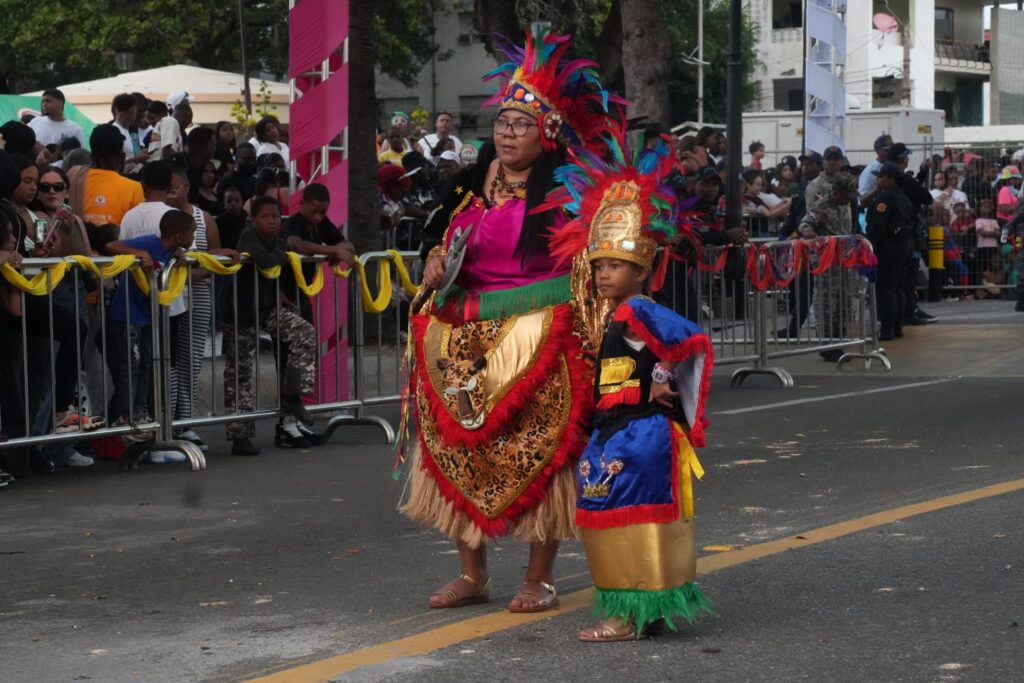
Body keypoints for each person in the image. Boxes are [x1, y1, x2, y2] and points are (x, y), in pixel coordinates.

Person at [400, 25, 621, 613]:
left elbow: (596, 259)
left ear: (546, 132)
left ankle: (538, 577)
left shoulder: (567, 192)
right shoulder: (471, 185)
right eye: (500, 123)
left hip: (539, 334)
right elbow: (440, 242)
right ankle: (472, 573)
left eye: (520, 124)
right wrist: (436, 260)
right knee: (458, 449)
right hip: (460, 336)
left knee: (540, 452)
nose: (506, 132)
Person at [538, 126, 713, 641]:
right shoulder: (617, 314)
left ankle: (626, 616)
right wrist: (658, 376)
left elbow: (691, 343)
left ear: (642, 271)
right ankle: (643, 612)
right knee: (622, 519)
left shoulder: (638, 309)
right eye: (600, 266)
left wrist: (665, 386)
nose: (605, 274)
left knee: (623, 521)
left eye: (617, 265)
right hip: (617, 432)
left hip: (639, 436)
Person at [221, 196, 316, 456]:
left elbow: (274, 264)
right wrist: (281, 254)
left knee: (305, 333)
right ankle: (239, 435)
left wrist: (280, 293)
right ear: (254, 219)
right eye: (265, 217)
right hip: (241, 313)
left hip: (266, 307)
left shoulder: (279, 239)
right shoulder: (248, 238)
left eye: (275, 216)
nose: (271, 221)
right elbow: (265, 261)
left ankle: (293, 396)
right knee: (240, 373)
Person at [104, 210, 197, 442]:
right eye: (191, 233)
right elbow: (112, 245)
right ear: (178, 235)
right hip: (128, 316)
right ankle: (127, 414)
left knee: (146, 364)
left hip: (147, 318)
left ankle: (141, 410)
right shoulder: (149, 243)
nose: (193, 239)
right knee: (131, 366)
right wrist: (138, 254)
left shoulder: (173, 252)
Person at [865, 162, 914, 341]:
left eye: (881, 177)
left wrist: (869, 247)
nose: (878, 179)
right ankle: (896, 327)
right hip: (904, 245)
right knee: (898, 287)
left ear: (890, 179)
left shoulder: (886, 199)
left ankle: (887, 330)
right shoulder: (903, 197)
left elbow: (877, 226)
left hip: (889, 247)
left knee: (886, 288)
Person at [70, 125, 144, 228]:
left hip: (78, 243)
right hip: (116, 243)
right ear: (122, 157)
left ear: (91, 156)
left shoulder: (73, 176)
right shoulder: (135, 189)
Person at [110, 93, 147, 171]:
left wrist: (143, 153)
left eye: (132, 113)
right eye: (126, 113)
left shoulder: (133, 131)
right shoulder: (113, 132)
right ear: (117, 112)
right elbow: (110, 163)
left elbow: (137, 154)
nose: (130, 117)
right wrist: (135, 158)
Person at [858, 134, 892, 210]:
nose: (889, 152)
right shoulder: (869, 171)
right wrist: (877, 188)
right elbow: (861, 200)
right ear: (877, 151)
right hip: (874, 215)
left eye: (891, 149)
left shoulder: (893, 166)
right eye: (886, 150)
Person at [215, 187, 247, 251]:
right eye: (229, 201)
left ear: (242, 203)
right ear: (224, 204)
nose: (233, 204)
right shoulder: (220, 220)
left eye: (237, 200)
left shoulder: (246, 218)